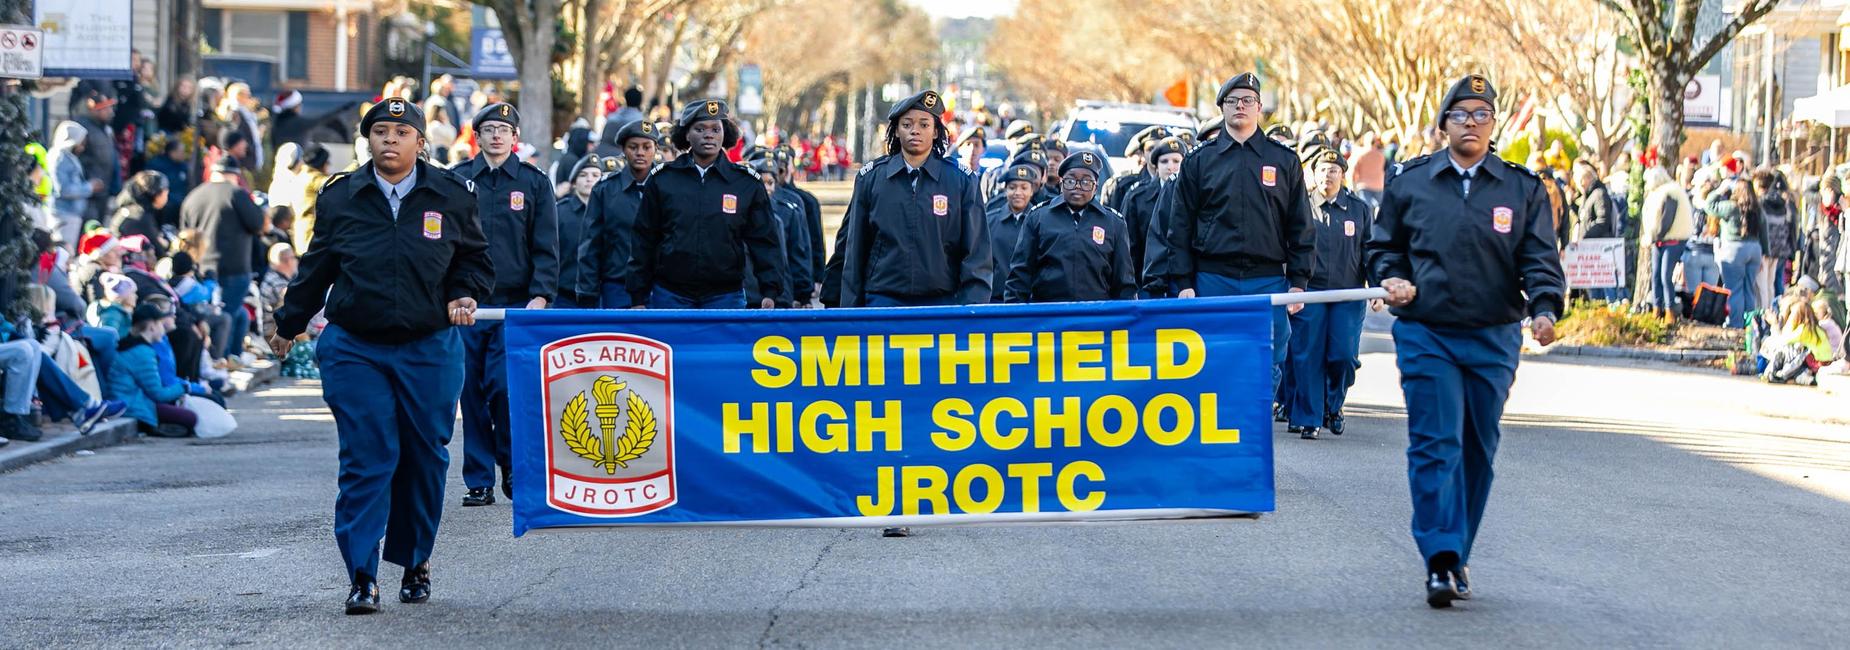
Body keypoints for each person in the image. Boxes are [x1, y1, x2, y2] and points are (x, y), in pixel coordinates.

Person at [270, 97, 492, 614]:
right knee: (368, 458)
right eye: (380, 131)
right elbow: (317, 265)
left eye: (400, 131)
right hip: (356, 348)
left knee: (423, 457)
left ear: (420, 141)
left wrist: (464, 293)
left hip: (429, 346)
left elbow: (475, 259)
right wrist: (288, 323)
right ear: (367, 141)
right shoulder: (342, 195)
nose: (389, 139)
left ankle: (415, 562)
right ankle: (362, 575)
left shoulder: (452, 194)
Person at [1365, 74, 1565, 608]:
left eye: (1481, 115)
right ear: (1443, 124)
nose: (1471, 123)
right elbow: (1383, 248)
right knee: (1436, 443)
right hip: (1427, 332)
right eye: (1461, 115)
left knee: (1478, 448)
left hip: (1494, 336)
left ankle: (1458, 552)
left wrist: (1544, 308)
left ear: (1494, 125)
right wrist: (1391, 276)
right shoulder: (1410, 182)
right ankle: (1440, 557)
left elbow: (1539, 260)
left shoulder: (1521, 189)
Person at [1166, 72, 1314, 392]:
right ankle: (1221, 432)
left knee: (1267, 360)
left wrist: (1299, 282)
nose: (1240, 107)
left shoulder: (1284, 160)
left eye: (1248, 100)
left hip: (1268, 279)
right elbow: (1179, 226)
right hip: (1212, 278)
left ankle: (1252, 432)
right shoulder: (1200, 161)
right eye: (1232, 101)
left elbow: (1300, 224)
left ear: (1259, 107)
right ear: (1222, 109)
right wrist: (1183, 282)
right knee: (1213, 358)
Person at [449, 102, 561, 507]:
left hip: (514, 305)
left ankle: (511, 462)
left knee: (503, 388)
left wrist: (541, 294)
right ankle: (479, 479)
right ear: (476, 137)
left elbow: (546, 245)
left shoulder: (533, 183)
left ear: (515, 138)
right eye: (489, 129)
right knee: (470, 393)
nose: (496, 136)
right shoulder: (458, 181)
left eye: (504, 129)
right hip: (466, 304)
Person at [838, 90, 992, 308]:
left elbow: (976, 252)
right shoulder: (871, 179)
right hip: (882, 300)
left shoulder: (961, 181)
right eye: (907, 124)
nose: (915, 131)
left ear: (936, 131)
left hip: (943, 302)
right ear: (897, 131)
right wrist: (850, 312)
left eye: (924, 125)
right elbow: (854, 251)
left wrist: (973, 310)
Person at [628, 100, 785, 310]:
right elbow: (644, 238)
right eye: (700, 129)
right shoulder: (663, 180)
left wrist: (770, 290)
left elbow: (764, 240)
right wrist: (638, 296)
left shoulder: (746, 183)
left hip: (726, 296)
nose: (708, 135)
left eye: (715, 129)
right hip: (670, 294)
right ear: (686, 134)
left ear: (725, 133)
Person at [1282, 147, 1373, 440]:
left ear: (1343, 176)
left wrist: (1378, 285)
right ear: (1313, 174)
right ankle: (1309, 418)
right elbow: (1288, 246)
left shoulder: (1358, 209)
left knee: (1343, 356)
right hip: (1310, 292)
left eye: (1333, 171)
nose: (1327, 176)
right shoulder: (1302, 206)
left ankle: (1333, 405)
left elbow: (1371, 250)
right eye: (1322, 170)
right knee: (1307, 356)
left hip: (1348, 295)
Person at [1002, 150, 1136, 303]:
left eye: (1086, 182)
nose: (1077, 187)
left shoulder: (1113, 223)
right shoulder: (1038, 217)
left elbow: (1124, 283)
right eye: (1071, 181)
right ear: (1061, 182)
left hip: (1098, 318)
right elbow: (1020, 275)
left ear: (1095, 186)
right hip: (1048, 317)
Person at [179, 157, 266, 360]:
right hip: (234, 267)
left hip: (200, 268)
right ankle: (221, 359)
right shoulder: (236, 193)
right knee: (227, 316)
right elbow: (257, 223)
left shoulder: (194, 195)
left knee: (228, 315)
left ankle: (226, 358)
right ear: (234, 175)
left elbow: (184, 230)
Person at [576, 120, 662, 308]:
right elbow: (591, 243)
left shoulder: (667, 185)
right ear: (623, 150)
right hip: (617, 286)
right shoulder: (606, 190)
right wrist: (587, 292)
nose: (640, 153)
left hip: (661, 288)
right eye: (633, 147)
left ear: (656, 149)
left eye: (647, 147)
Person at [108, 301, 214, 437]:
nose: (163, 328)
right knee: (191, 418)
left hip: (136, 400)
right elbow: (159, 394)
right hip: (133, 406)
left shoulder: (137, 347)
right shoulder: (142, 352)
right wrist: (185, 387)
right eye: (160, 323)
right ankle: (154, 426)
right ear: (152, 327)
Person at [1640, 167, 1693, 320]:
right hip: (1659, 241)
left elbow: (1667, 219)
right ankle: (1656, 310)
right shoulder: (1657, 194)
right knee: (1655, 276)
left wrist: (1655, 236)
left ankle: (1670, 310)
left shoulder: (1670, 193)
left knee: (1665, 276)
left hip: (1671, 240)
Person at [1710, 179, 1764, 328]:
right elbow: (1764, 232)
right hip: (1755, 250)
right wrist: (1764, 254)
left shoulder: (1731, 207)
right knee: (1749, 289)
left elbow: (1709, 205)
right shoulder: (1757, 208)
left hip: (1734, 250)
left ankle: (1736, 323)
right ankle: (1750, 324)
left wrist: (1720, 189)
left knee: (1735, 290)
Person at [985, 164, 1042, 302]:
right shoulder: (989, 220)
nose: (1018, 193)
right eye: (1012, 187)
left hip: (1030, 299)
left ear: (1032, 191)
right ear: (1005, 190)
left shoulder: (1041, 221)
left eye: (1024, 188)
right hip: (994, 298)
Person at [553, 155, 602, 308]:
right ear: (573, 183)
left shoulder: (609, 211)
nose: (589, 179)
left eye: (595, 175)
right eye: (583, 175)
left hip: (599, 294)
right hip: (564, 293)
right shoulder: (560, 211)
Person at [72, 81, 122, 226]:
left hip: (104, 192)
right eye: (106, 109)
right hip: (89, 195)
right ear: (94, 110)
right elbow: (76, 158)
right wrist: (88, 182)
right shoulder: (82, 128)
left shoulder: (106, 129)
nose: (110, 112)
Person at [49, 121, 102, 251]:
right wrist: (89, 187)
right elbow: (63, 189)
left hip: (71, 213)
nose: (82, 147)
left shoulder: (68, 157)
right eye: (80, 142)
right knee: (63, 252)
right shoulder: (60, 158)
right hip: (63, 213)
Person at [294, 144, 334, 253]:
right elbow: (334, 183)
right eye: (327, 161)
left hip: (302, 233)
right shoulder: (312, 178)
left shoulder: (302, 175)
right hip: (311, 236)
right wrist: (354, 167)